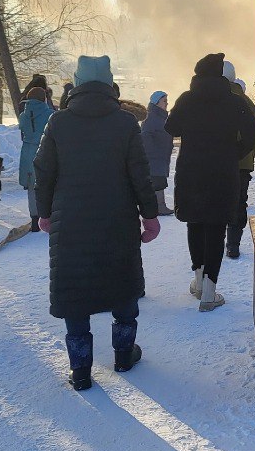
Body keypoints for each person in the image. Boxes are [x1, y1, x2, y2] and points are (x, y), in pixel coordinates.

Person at [33, 55, 161, 390]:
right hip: (116, 220)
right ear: (108, 83)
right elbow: (140, 176)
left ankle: (80, 371)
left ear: (77, 83)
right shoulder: (124, 124)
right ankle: (123, 354)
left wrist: (44, 213)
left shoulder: (58, 123)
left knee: (75, 293)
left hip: (70, 223)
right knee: (121, 287)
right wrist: (149, 215)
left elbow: (43, 173)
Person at [165, 54, 255, 311]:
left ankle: (197, 281)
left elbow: (170, 127)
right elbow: (254, 132)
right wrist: (234, 152)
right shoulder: (234, 101)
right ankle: (209, 291)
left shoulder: (187, 99)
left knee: (195, 223)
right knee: (216, 226)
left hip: (191, 170)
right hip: (222, 172)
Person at [222, 64, 255, 260]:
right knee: (239, 203)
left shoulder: (208, 101)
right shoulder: (245, 101)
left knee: (216, 202)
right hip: (242, 162)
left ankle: (213, 242)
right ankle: (233, 244)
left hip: (215, 163)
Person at [17, 86, 53, 231]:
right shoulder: (50, 114)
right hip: (44, 150)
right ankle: (46, 215)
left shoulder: (23, 115)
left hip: (27, 151)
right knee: (47, 183)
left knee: (32, 185)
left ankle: (34, 218)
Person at [141, 90, 174, 216]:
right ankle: (160, 206)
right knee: (157, 181)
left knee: (159, 180)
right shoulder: (151, 117)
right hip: (155, 156)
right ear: (156, 103)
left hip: (161, 156)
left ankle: (158, 206)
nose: (167, 103)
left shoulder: (161, 117)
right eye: (164, 101)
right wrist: (152, 150)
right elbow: (145, 135)